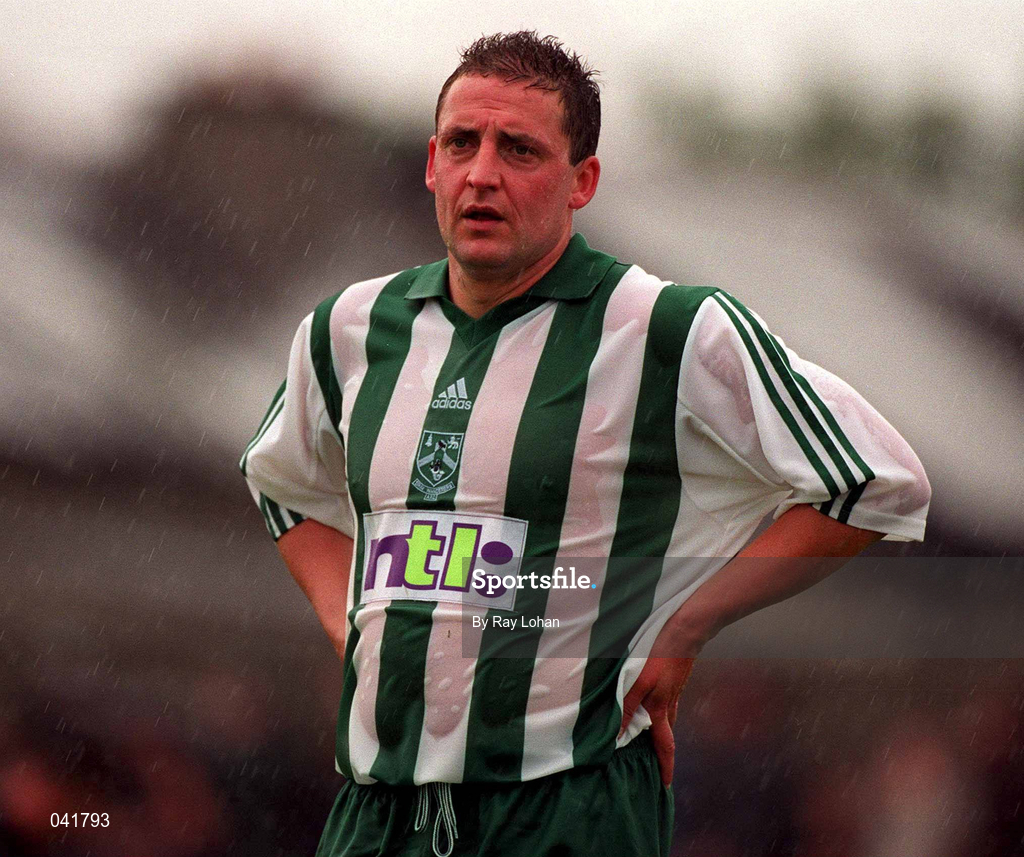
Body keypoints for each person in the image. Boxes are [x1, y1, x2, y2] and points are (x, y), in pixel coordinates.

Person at [240, 31, 930, 857]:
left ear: (583, 181)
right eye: (462, 143)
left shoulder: (665, 327)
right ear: (431, 163)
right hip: (377, 810)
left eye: (520, 149)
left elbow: (877, 481)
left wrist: (685, 628)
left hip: (567, 807)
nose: (482, 173)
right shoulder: (347, 329)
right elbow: (281, 480)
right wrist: (348, 621)